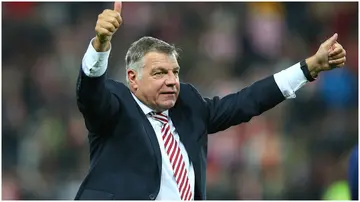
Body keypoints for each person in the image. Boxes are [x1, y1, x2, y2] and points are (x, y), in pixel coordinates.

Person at [75, 2, 347, 200]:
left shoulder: (188, 107)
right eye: (159, 73)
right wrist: (100, 45)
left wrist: (307, 68)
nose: (171, 80)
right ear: (133, 79)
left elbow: (246, 101)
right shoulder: (117, 106)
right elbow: (90, 95)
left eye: (175, 72)